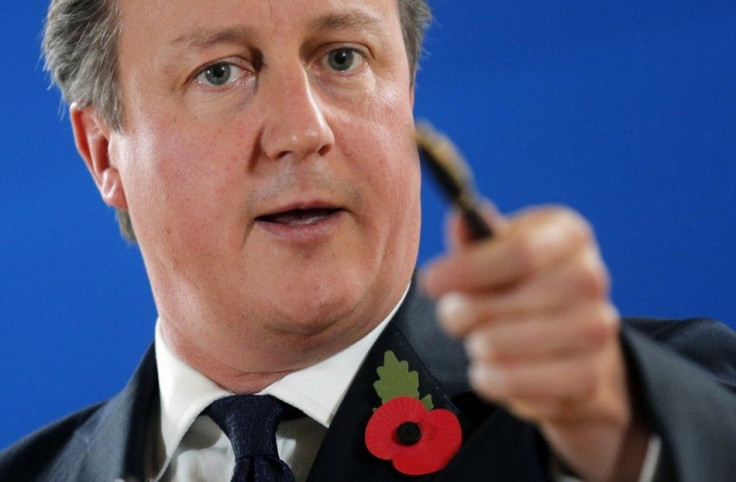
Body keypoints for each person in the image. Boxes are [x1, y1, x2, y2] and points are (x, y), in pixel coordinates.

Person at [2, 0, 736, 480]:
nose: (303, 132)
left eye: (342, 58)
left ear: (408, 95)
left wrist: (616, 434)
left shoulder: (630, 409)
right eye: (220, 72)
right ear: (103, 151)